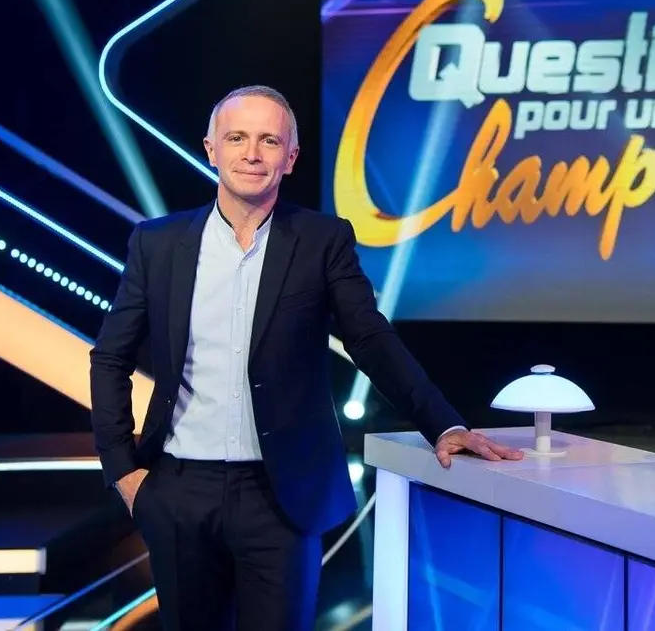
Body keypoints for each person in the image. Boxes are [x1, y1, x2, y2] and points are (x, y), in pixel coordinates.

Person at [89, 85, 523, 631]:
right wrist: (123, 471)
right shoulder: (158, 243)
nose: (252, 153)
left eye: (269, 140)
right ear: (211, 149)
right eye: (237, 138)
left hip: (282, 497)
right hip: (178, 490)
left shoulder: (323, 241)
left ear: (290, 157)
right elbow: (110, 357)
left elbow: (370, 340)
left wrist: (444, 423)